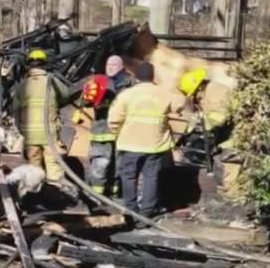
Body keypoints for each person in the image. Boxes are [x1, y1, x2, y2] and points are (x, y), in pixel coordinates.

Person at [107, 62, 186, 220]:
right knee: (151, 178)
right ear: (152, 76)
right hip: (155, 145)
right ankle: (147, 213)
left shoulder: (126, 95)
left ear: (136, 77)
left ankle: (131, 210)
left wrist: (118, 133)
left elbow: (114, 120)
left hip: (130, 144)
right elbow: (180, 105)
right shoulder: (164, 94)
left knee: (129, 177)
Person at [10, 48, 75, 187]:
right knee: (54, 168)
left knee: (34, 169)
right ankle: (57, 192)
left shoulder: (21, 86)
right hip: (49, 133)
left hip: (30, 135)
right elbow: (66, 96)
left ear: (28, 65)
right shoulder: (52, 81)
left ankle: (35, 194)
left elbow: (15, 111)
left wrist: (21, 130)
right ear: (45, 64)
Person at [69, 74, 118, 196]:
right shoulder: (114, 96)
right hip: (113, 136)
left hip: (102, 137)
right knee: (113, 164)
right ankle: (112, 189)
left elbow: (86, 105)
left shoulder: (104, 101)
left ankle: (96, 193)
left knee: (100, 165)